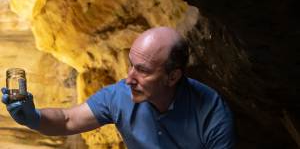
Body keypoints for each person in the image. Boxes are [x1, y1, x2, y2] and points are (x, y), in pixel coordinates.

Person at [1, 27, 235, 148]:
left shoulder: (212, 114)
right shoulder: (120, 95)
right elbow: (66, 120)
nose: (130, 78)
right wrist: (33, 117)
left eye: (143, 70)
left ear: (172, 76)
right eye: (131, 65)